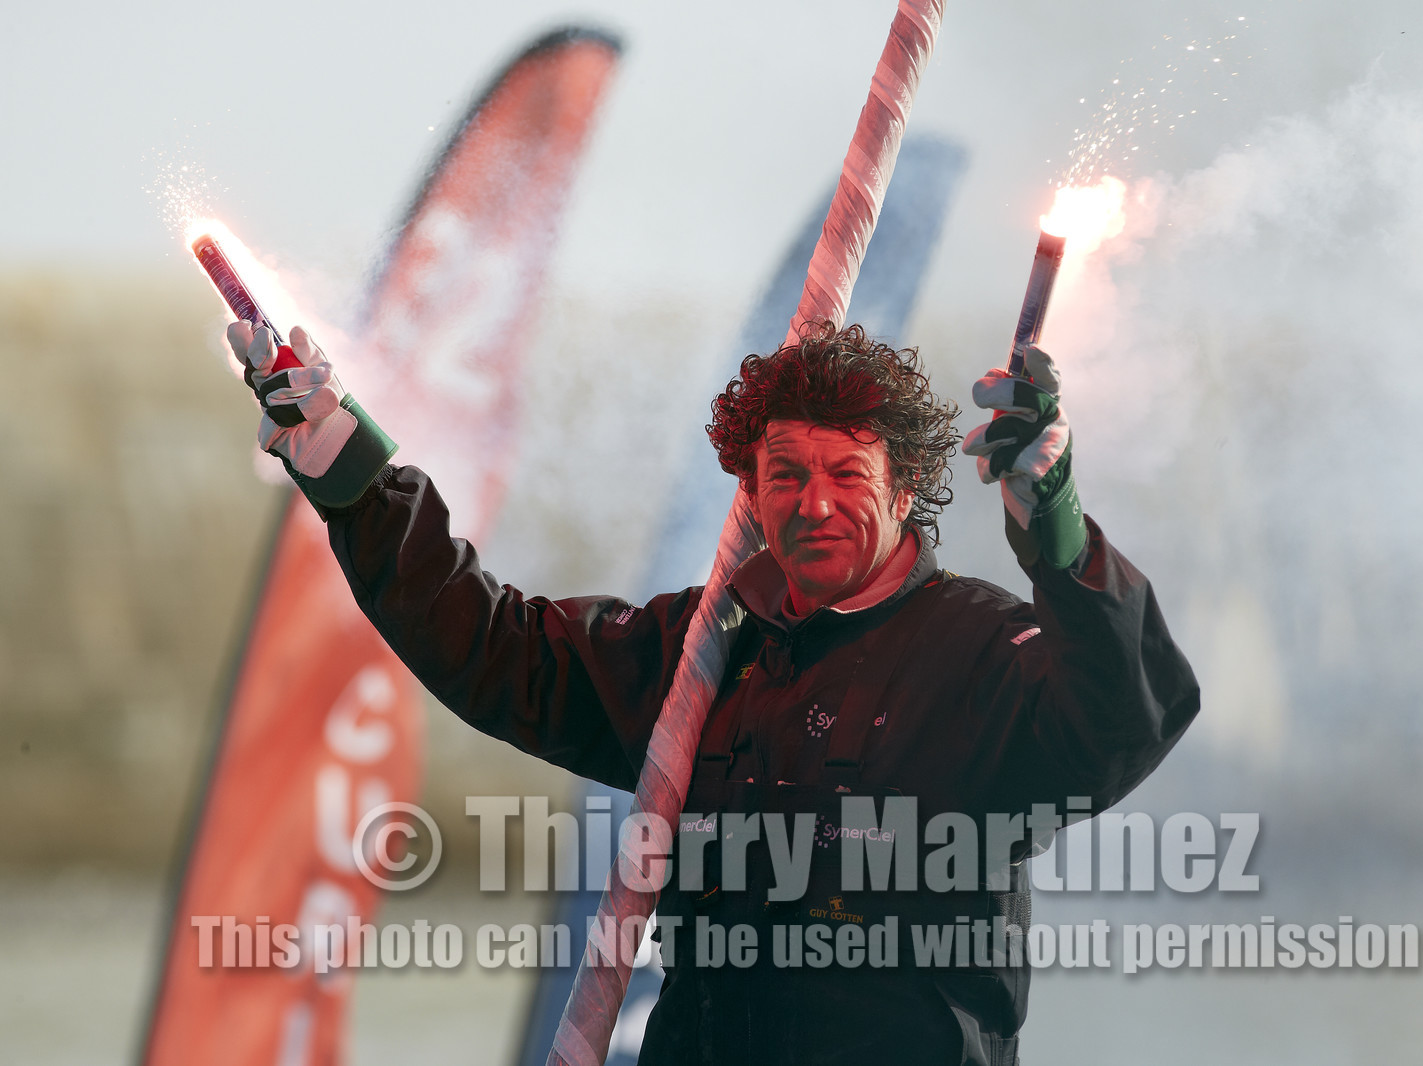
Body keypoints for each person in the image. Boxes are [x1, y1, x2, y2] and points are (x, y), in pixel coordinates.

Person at [227, 318, 1201, 1065]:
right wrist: (354, 481)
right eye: (784, 472)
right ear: (751, 490)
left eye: (844, 473)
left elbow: (1124, 718)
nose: (812, 500)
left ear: (905, 489)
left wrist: (1058, 529)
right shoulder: (698, 648)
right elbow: (497, 649)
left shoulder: (986, 649)